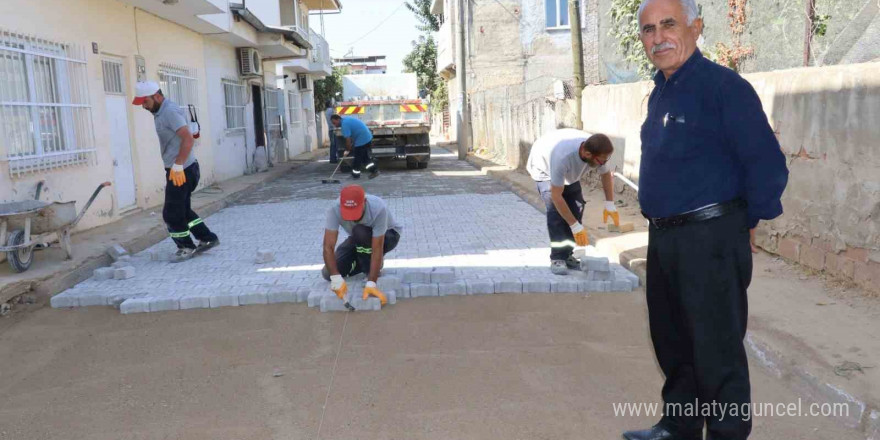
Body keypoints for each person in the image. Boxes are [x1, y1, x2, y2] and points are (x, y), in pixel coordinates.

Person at [622, 0, 788, 439]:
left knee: (715, 348)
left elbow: (766, 164)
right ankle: (679, 426)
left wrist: (744, 222)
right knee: (673, 341)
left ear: (695, 28)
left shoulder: (723, 88)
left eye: (668, 25)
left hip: (711, 237)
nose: (658, 37)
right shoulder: (660, 91)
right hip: (665, 238)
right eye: (648, 29)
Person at [132, 81, 219, 263]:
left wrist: (178, 165)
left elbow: (187, 139)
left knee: (171, 213)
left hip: (182, 170)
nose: (143, 106)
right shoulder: (159, 112)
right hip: (180, 169)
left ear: (157, 96)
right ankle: (207, 237)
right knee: (183, 209)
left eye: (145, 101)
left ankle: (186, 246)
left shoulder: (169, 111)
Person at [526, 129, 616, 275]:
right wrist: (574, 226)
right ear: (587, 154)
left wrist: (610, 204)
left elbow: (605, 174)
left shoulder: (598, 151)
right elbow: (556, 197)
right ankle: (557, 258)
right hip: (544, 168)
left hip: (568, 171)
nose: (604, 163)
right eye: (602, 161)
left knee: (577, 208)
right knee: (556, 213)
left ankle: (567, 255)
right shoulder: (562, 158)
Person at [321, 185, 402, 305]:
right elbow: (328, 246)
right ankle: (363, 259)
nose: (353, 218)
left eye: (355, 212)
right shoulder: (334, 209)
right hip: (358, 237)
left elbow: (377, 248)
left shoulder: (378, 208)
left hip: (388, 235)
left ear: (364, 202)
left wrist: (372, 282)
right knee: (327, 272)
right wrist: (335, 278)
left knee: (360, 231)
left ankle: (372, 267)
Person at [329, 114, 379, 179]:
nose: (334, 125)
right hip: (366, 137)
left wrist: (347, 150)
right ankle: (374, 171)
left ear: (338, 119)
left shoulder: (344, 125)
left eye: (334, 123)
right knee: (364, 158)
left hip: (362, 139)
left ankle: (356, 175)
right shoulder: (346, 120)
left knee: (358, 159)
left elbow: (348, 140)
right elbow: (353, 133)